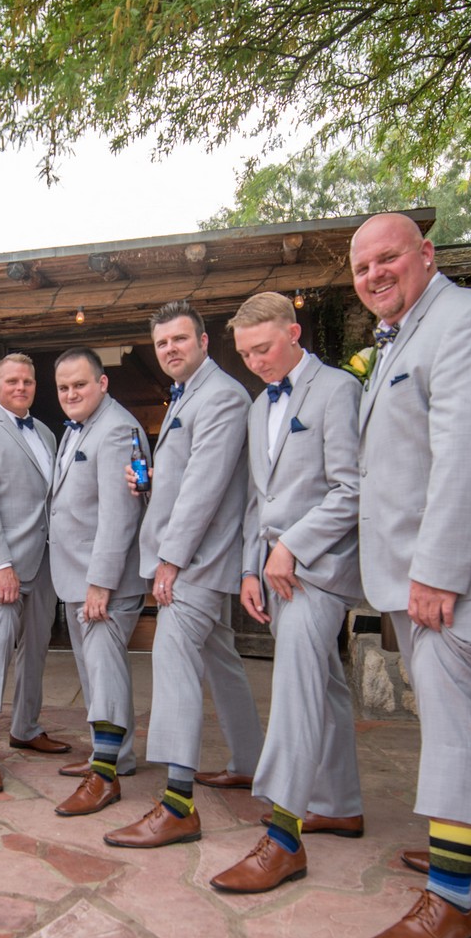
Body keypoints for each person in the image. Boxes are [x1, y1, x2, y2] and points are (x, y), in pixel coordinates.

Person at [347, 213, 471, 938]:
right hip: (421, 573)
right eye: (362, 267)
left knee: (453, 729)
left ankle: (452, 904)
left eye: (387, 257)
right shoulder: (408, 335)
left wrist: (439, 570)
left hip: (452, 577)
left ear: (426, 255)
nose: (373, 275)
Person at [210, 292, 364, 894]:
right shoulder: (256, 408)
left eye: (264, 348)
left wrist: (292, 546)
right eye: (245, 352)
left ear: (295, 333)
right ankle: (341, 802)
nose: (255, 361)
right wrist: (251, 567)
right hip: (273, 571)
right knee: (323, 682)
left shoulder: (337, 391)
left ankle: (281, 837)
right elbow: (257, 500)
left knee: (295, 691)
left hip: (317, 569)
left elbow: (351, 489)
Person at [104, 301, 260, 848]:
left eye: (179, 339)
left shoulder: (220, 396)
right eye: (162, 342)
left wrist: (169, 559)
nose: (170, 349)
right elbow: (182, 477)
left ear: (203, 341)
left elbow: (206, 487)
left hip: (197, 560)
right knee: (222, 658)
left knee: (171, 660)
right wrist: (147, 485)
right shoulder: (186, 395)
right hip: (193, 556)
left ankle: (177, 805)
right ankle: (248, 763)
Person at [0, 353, 70, 794]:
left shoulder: (44, 432)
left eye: (28, 380)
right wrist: (0, 567)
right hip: (1, 565)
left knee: (36, 650)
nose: (21, 387)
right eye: (12, 381)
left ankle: (26, 726)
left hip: (44, 563)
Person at [44, 349, 149, 816]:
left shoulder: (115, 430)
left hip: (101, 580)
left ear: (102, 384)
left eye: (79, 385)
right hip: (74, 575)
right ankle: (112, 756)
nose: (70, 394)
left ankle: (105, 776)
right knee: (95, 673)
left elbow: (119, 514)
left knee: (104, 673)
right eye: (63, 387)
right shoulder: (80, 427)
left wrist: (100, 583)